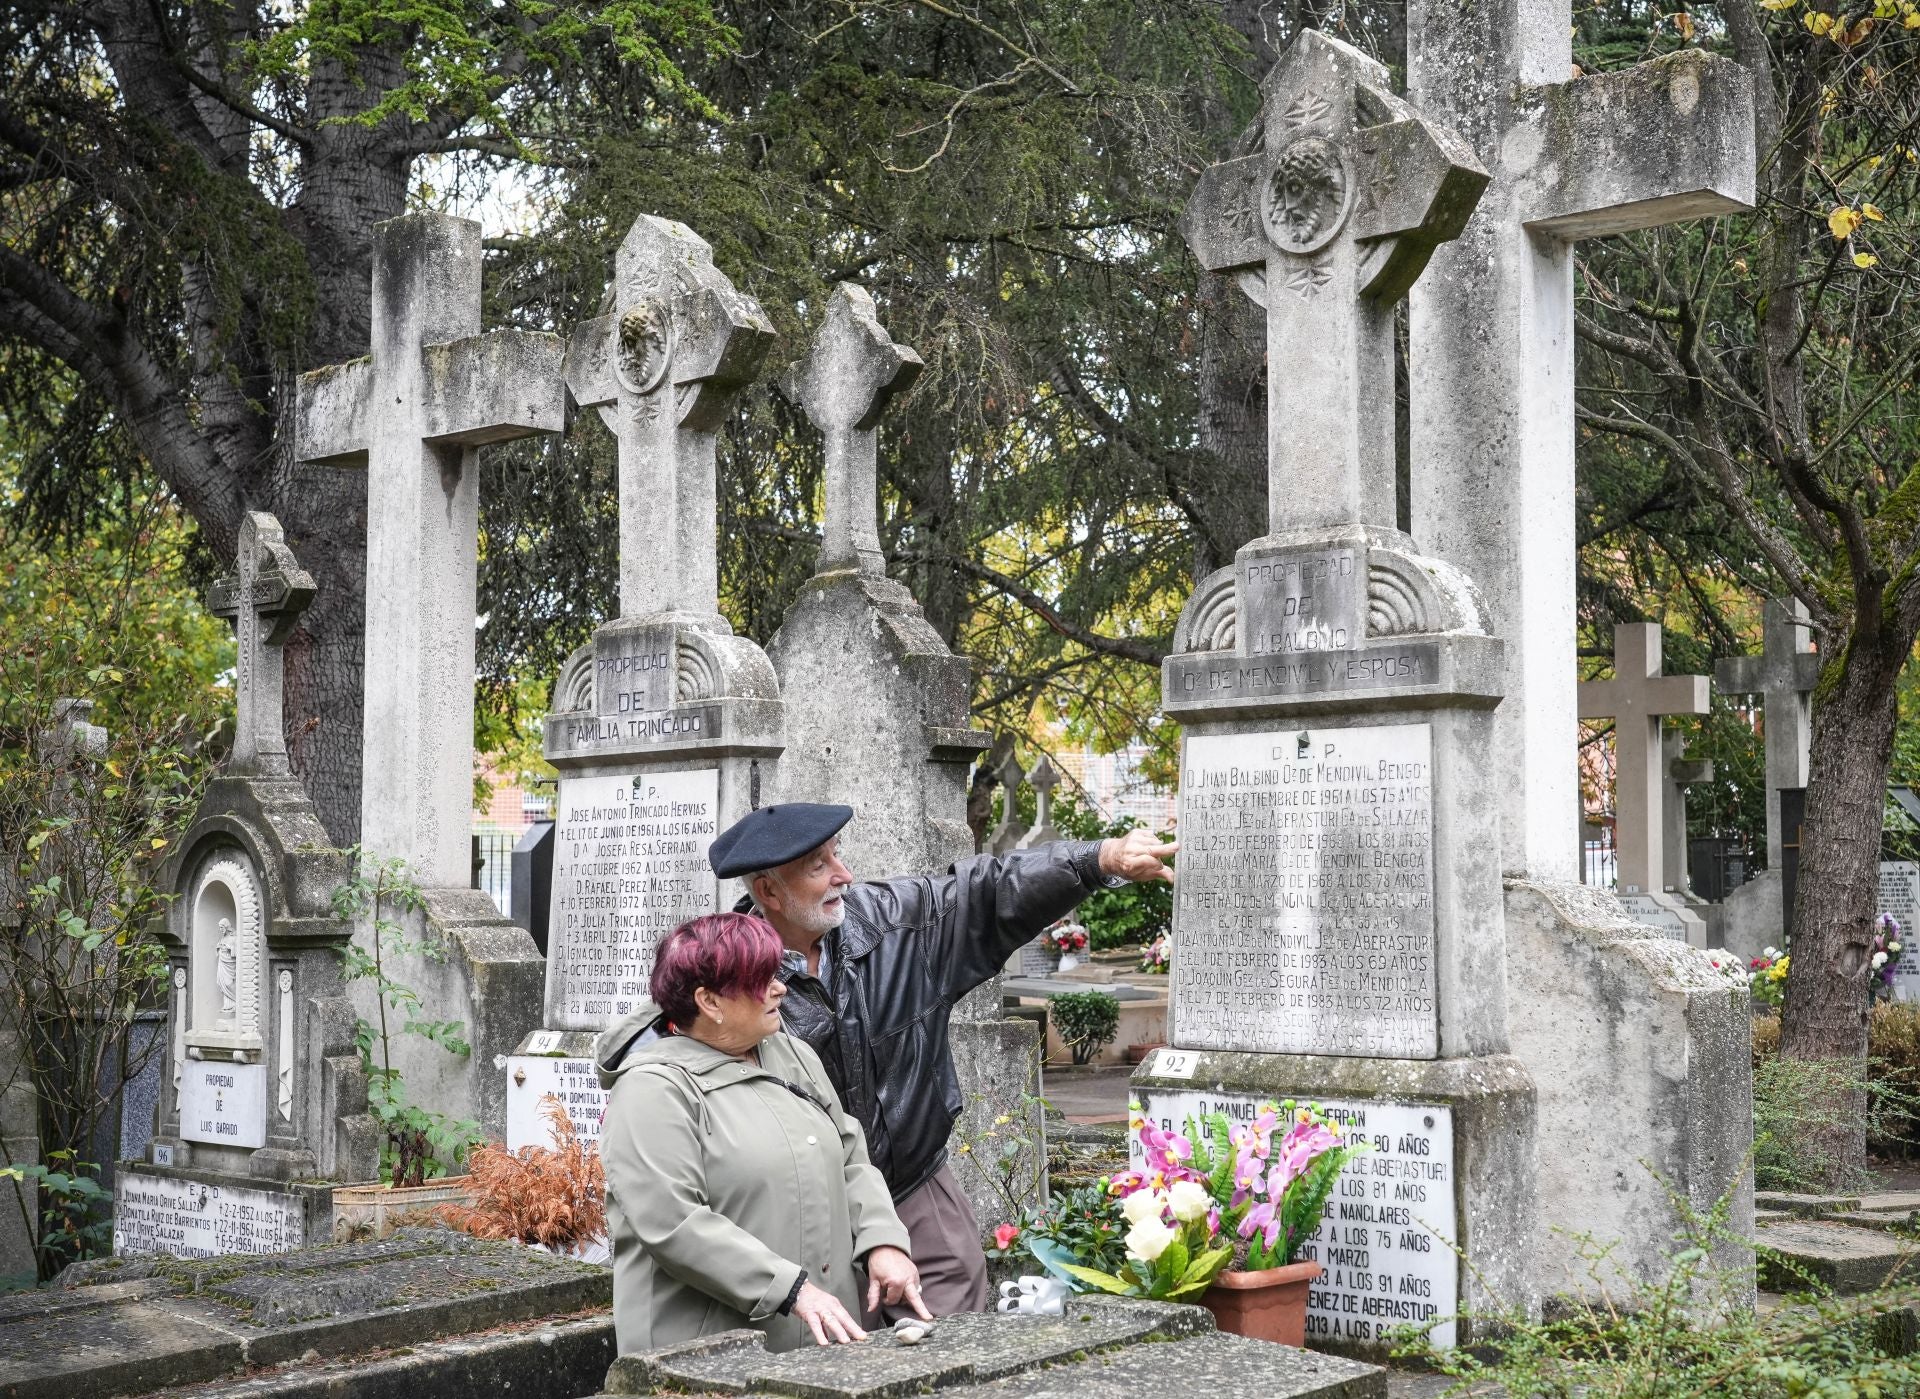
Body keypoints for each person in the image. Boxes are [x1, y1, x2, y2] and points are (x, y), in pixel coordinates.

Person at [706, 802, 1176, 1317]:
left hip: (913, 1188)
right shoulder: (723, 977)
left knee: (951, 1346)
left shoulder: (897, 921)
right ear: (769, 891)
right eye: (819, 866)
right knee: (825, 1361)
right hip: (802, 1213)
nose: (845, 875)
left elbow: (992, 890)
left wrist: (1100, 858)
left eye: (835, 855)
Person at [595, 912, 934, 1353]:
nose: (781, 988)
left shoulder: (792, 1053)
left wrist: (882, 1241)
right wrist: (791, 1290)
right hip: (708, 1355)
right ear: (710, 1002)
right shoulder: (652, 1089)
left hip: (822, 1338)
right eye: (762, 979)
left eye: (776, 972)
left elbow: (850, 1155)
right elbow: (673, 1223)